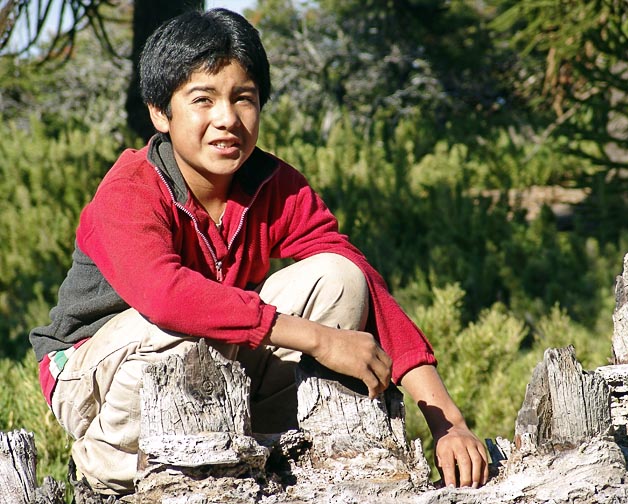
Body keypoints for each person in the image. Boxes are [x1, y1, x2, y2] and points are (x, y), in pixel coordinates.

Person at [29, 7, 488, 498]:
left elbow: (365, 285)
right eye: (202, 99)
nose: (227, 119)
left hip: (211, 366)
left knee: (339, 277)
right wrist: (318, 339)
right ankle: (112, 467)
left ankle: (268, 450)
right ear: (160, 113)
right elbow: (167, 298)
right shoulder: (129, 189)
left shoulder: (275, 185)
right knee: (179, 327)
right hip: (96, 376)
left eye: (243, 98)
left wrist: (446, 421)